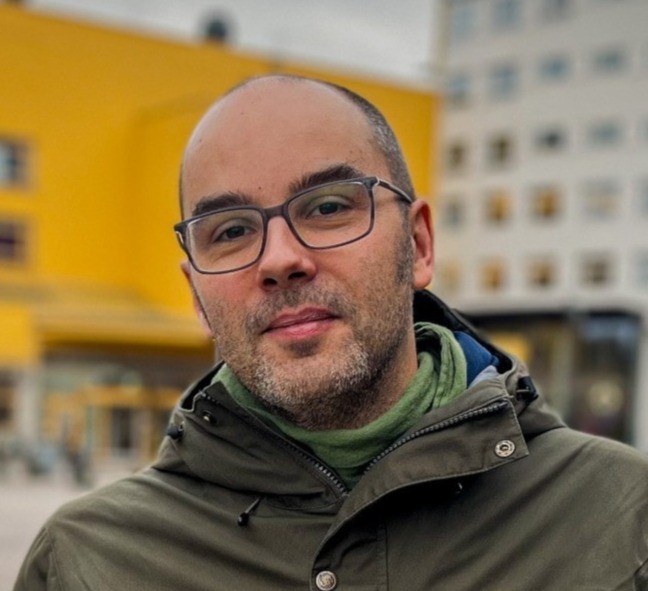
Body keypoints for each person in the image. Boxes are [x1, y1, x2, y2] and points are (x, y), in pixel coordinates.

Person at [14, 75, 648, 590]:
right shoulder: (85, 562)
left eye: (327, 207)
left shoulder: (622, 519)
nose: (279, 259)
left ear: (418, 245)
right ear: (197, 296)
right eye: (231, 231)